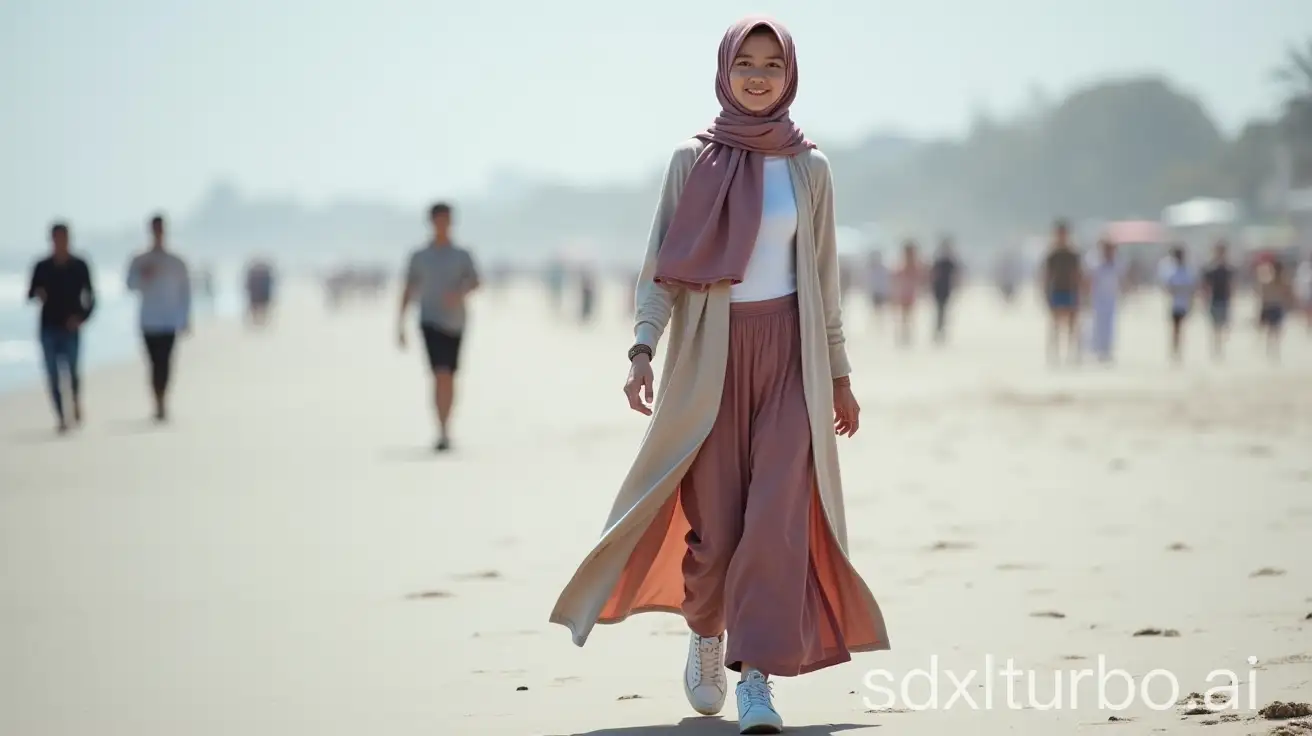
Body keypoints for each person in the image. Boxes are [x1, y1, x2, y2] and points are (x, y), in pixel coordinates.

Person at [548, 18, 888, 735]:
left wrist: (840, 375)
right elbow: (660, 266)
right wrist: (642, 347)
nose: (758, 75)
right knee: (717, 530)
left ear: (790, 75)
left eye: (771, 64)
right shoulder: (690, 160)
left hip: (791, 359)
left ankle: (756, 677)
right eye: (745, 63)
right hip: (709, 362)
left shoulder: (811, 169)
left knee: (776, 522)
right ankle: (707, 630)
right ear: (724, 72)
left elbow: (824, 282)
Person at [397, 202, 480, 452]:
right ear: (431, 222)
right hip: (429, 320)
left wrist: (459, 293)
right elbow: (408, 288)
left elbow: (475, 281)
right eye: (438, 220)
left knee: (450, 376)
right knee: (439, 374)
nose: (442, 225)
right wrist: (399, 323)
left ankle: (448, 425)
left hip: (456, 322)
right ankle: (441, 429)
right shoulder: (419, 256)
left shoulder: (462, 254)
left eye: (446, 220)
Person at [26, 222, 95, 433]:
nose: (60, 242)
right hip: (48, 327)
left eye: (63, 237)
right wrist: (38, 293)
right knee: (52, 375)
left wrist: (82, 318)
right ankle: (61, 417)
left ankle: (74, 401)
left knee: (72, 372)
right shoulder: (42, 266)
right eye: (56, 238)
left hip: (71, 328)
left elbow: (91, 297)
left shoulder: (79, 265)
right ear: (51, 239)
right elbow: (29, 293)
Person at [126, 214, 191, 422]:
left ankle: (163, 400)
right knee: (153, 363)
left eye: (161, 229)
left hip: (169, 320)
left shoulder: (176, 261)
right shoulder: (140, 260)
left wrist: (185, 318)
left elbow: (185, 291)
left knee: (166, 362)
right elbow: (129, 285)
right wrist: (144, 275)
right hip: (148, 320)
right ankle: (157, 401)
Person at [1041, 219, 1083, 365]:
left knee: (1072, 326)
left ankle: (1072, 356)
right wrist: (1045, 293)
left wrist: (1080, 293)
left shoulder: (1073, 254)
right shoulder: (1052, 254)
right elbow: (1046, 275)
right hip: (1057, 291)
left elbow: (1077, 275)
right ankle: (1054, 356)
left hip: (1070, 291)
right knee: (1055, 325)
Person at [1086, 238, 1123, 362]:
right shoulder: (1095, 262)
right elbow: (1090, 280)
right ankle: (1097, 349)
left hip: (1111, 297)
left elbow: (1120, 279)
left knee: (1109, 324)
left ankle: (1107, 349)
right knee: (1097, 324)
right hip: (1098, 298)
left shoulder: (1116, 262)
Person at [1159, 245, 1196, 364]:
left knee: (1181, 328)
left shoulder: (1187, 270)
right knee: (1175, 329)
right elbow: (1167, 287)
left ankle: (1178, 351)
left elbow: (1192, 287)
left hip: (1184, 303)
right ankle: (1175, 351)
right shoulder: (1172, 270)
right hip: (1175, 304)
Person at [1199, 240, 1236, 361]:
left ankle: (1219, 347)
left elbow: (1232, 286)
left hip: (1224, 299)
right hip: (1214, 299)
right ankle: (1216, 348)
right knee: (1215, 326)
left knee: (1223, 325)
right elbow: (1205, 286)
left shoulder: (1228, 269)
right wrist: (1204, 300)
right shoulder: (1210, 269)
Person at [1256, 260, 1295, 361]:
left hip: (1274, 307)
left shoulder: (1277, 281)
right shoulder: (1273, 281)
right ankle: (1272, 349)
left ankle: (1272, 349)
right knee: (1273, 330)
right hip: (1273, 307)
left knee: (1274, 330)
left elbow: (1288, 295)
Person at [928, 237, 959, 344]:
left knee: (942, 310)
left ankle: (940, 329)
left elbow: (956, 276)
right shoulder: (939, 260)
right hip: (939, 288)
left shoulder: (948, 261)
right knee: (940, 310)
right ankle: (939, 329)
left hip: (945, 288)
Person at [893, 239, 921, 347]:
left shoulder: (912, 265)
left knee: (907, 316)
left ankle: (906, 335)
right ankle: (904, 335)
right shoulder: (905, 265)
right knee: (905, 316)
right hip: (904, 293)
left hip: (909, 293)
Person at [864, 248, 890, 328]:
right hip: (876, 291)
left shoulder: (881, 269)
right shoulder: (871, 269)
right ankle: (876, 322)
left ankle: (879, 322)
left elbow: (885, 281)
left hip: (880, 291)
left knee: (880, 308)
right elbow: (869, 282)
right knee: (876, 308)